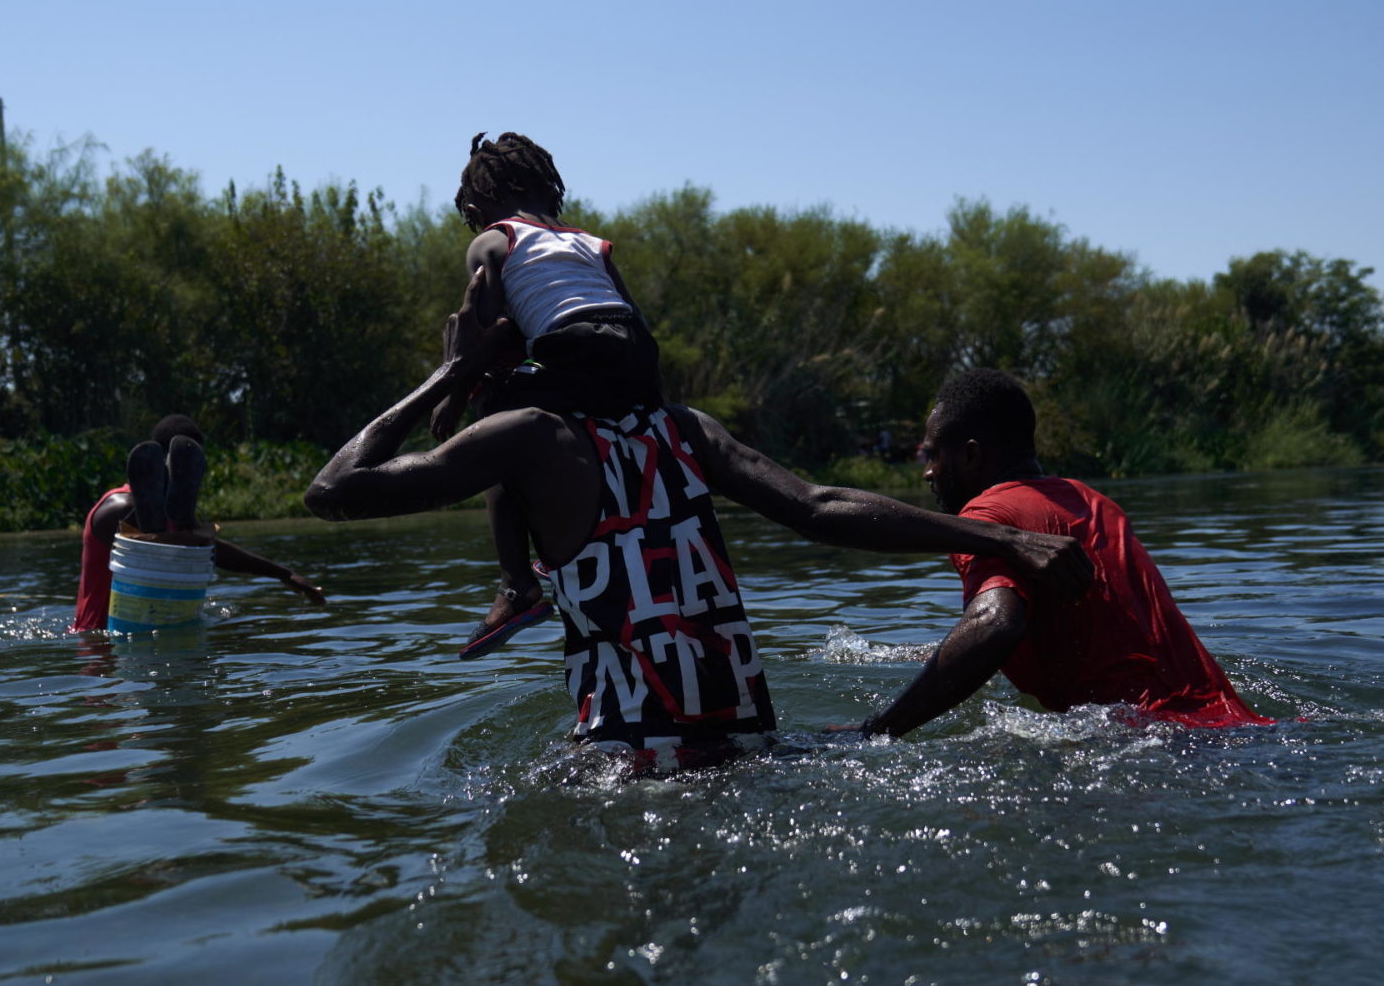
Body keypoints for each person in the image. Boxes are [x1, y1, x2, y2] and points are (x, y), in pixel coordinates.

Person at [304, 296, 1095, 770]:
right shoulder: (687, 432)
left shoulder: (530, 439)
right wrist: (1003, 540)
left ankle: (518, 592)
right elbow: (820, 505)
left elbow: (333, 489)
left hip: (623, 768)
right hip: (749, 759)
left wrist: (453, 371)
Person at [857, 368, 1270, 737]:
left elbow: (995, 626)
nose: (928, 471)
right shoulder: (1093, 502)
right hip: (1238, 729)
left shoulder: (987, 514)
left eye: (932, 454)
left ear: (970, 455)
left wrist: (878, 731)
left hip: (1157, 741)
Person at [430, 132, 663, 659]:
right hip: (635, 357)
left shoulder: (494, 240)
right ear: (548, 192)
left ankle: (517, 586)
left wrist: (453, 396)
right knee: (597, 428)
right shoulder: (590, 242)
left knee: (498, 429)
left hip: (572, 347)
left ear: (475, 206)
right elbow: (632, 319)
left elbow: (488, 334)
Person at [72, 414, 326, 634]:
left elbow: (216, 551)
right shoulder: (115, 508)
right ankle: (162, 520)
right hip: (103, 634)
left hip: (155, 629)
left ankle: (169, 529)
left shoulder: (174, 515)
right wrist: (194, 538)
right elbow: (211, 551)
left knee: (192, 539)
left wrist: (283, 573)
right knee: (182, 538)